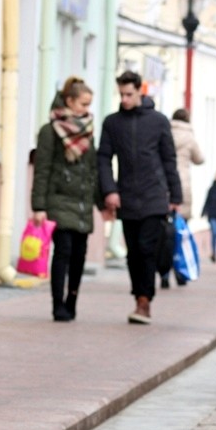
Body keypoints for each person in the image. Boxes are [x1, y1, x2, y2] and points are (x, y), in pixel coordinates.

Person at [97, 71, 182, 324]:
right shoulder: (112, 123)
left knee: (146, 249)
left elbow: (169, 159)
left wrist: (175, 195)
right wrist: (110, 190)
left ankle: (144, 301)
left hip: (154, 195)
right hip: (126, 196)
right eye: (121, 94)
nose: (124, 99)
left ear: (139, 91)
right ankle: (139, 297)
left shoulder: (158, 121)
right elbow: (103, 159)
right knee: (133, 252)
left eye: (129, 94)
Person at [30, 76, 100, 322]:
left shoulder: (88, 130)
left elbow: (93, 169)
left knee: (79, 256)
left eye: (89, 104)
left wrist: (101, 202)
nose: (87, 109)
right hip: (58, 200)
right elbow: (42, 170)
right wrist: (39, 206)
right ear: (69, 101)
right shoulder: (50, 131)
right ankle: (57, 304)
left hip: (82, 202)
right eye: (83, 104)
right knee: (63, 252)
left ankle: (72, 300)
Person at [160, 108, 205, 288]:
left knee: (165, 233)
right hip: (183, 187)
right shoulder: (189, 137)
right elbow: (200, 159)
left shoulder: (165, 132)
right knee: (181, 233)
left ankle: (163, 273)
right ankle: (180, 272)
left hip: (164, 185)